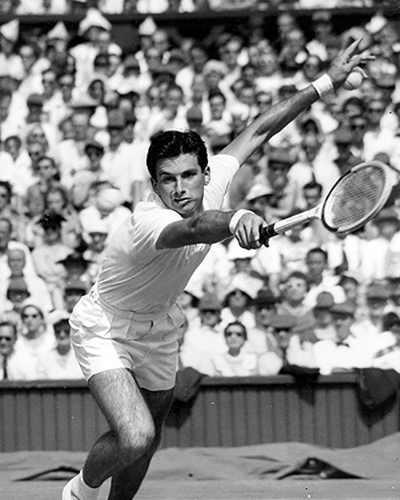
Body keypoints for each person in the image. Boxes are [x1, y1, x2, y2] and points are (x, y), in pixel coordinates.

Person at [63, 40, 371, 500]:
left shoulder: (215, 178)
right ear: (154, 185)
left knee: (149, 438)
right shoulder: (148, 222)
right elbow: (193, 228)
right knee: (136, 435)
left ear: (207, 175)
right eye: (168, 180)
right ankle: (78, 494)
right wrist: (236, 219)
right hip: (104, 327)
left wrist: (325, 83)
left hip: (160, 326)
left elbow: (261, 129)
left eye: (189, 176)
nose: (180, 188)